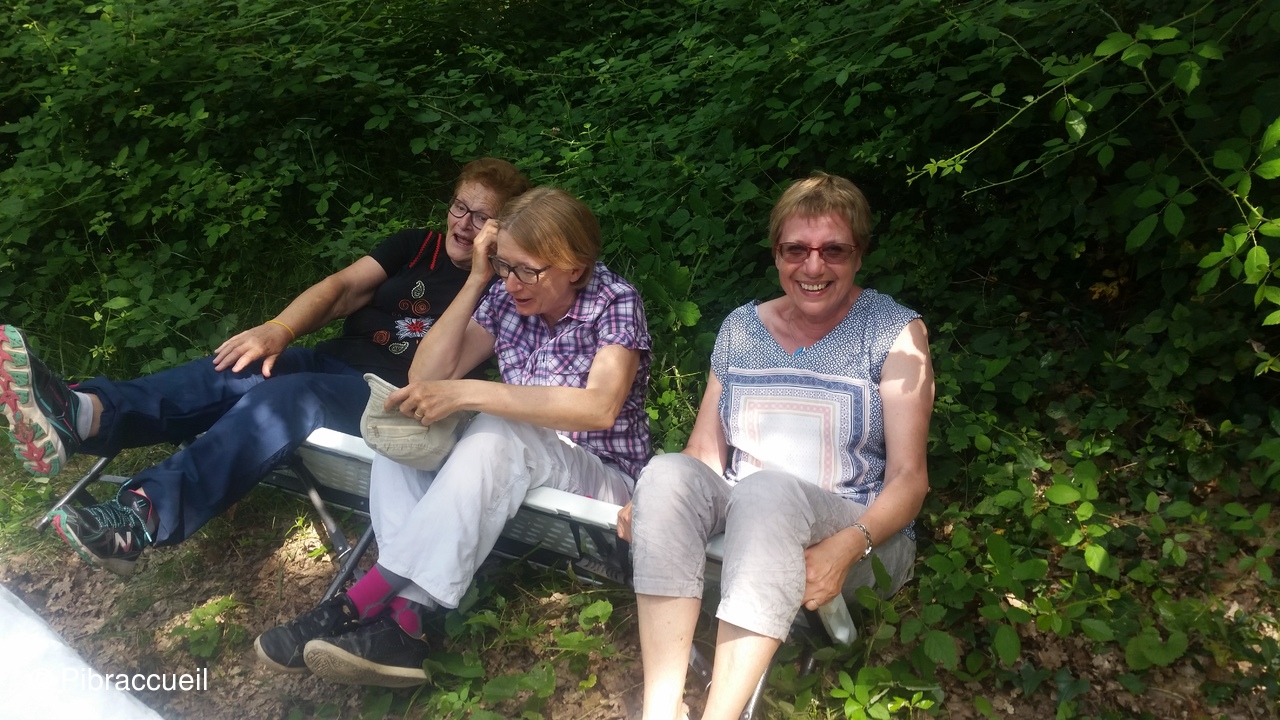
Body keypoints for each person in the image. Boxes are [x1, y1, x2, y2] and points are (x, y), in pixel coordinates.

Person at [0, 158, 530, 576]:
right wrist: (279, 329)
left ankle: (141, 518)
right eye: (459, 207)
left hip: (393, 402)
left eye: (482, 217)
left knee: (287, 398)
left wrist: (481, 273)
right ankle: (84, 414)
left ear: (501, 228)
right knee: (245, 364)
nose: (464, 224)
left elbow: (437, 377)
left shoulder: (502, 288)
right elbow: (342, 289)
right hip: (329, 366)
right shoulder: (415, 246)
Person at [254, 186, 652, 686]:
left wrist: (469, 393)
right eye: (503, 265)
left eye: (526, 270)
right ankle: (406, 622)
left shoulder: (614, 301)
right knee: (407, 425)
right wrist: (477, 279)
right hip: (515, 463)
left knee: (497, 426)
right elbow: (425, 375)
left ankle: (360, 601)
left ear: (574, 267)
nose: (512, 282)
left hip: (601, 479)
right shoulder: (504, 294)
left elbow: (599, 408)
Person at [617, 172, 935, 720]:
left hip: (858, 535)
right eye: (796, 250)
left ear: (859, 255)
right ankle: (660, 710)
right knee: (665, 474)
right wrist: (651, 500)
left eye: (833, 250)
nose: (813, 267)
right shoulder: (741, 328)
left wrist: (846, 547)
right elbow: (703, 452)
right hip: (749, 527)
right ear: (776, 254)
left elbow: (910, 479)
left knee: (767, 492)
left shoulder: (893, 331)